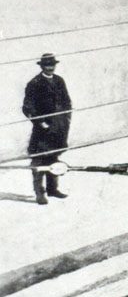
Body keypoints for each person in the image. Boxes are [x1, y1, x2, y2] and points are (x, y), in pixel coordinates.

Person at [22, 53, 72, 205]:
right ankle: (40, 193)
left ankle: (52, 189)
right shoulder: (34, 83)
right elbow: (27, 107)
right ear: (42, 66)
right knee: (39, 161)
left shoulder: (59, 80)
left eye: (52, 65)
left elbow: (67, 102)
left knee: (53, 158)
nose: (50, 68)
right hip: (42, 130)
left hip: (58, 129)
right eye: (47, 65)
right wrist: (41, 122)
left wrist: (66, 119)